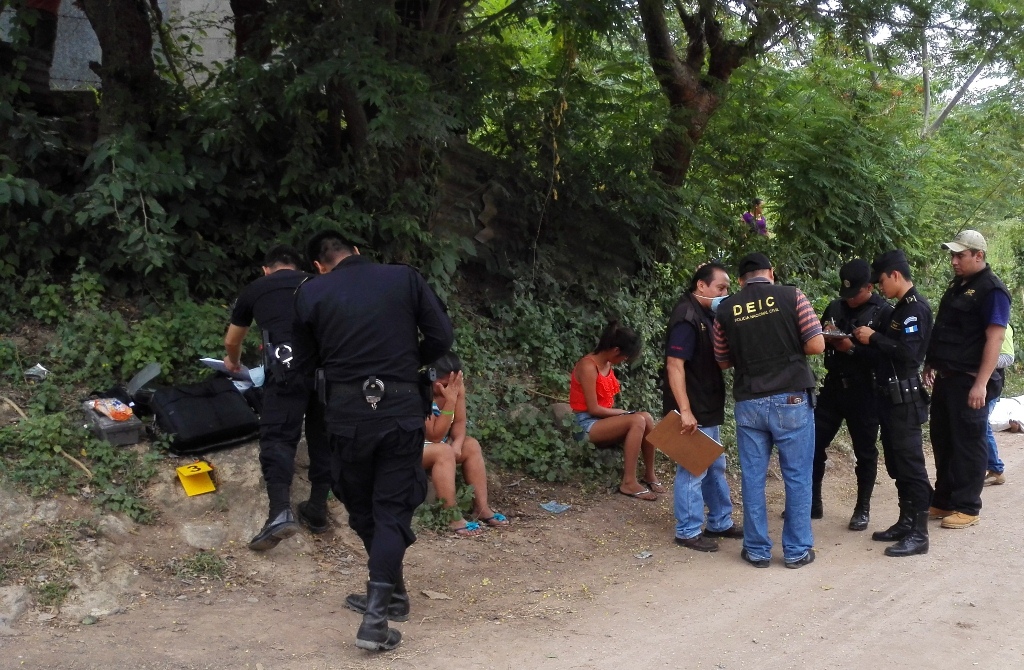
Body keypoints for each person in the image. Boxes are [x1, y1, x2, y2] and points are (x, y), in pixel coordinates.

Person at [292, 231, 453, 651]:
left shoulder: (311, 293)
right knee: (391, 508)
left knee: (364, 509)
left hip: (346, 415)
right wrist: (408, 361)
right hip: (399, 409)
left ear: (319, 265)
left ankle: (380, 610)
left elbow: (304, 362)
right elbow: (441, 337)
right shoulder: (404, 279)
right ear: (358, 251)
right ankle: (386, 602)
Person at [713, 252, 824, 569]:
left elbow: (722, 360)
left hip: (749, 401)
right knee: (798, 477)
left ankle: (757, 550)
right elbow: (816, 345)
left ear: (740, 280)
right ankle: (797, 550)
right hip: (791, 399)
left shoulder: (725, 309)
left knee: (752, 478)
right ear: (771, 273)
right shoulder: (793, 295)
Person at [223, 244, 333, 551]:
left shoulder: (256, 288)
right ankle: (318, 508)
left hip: (285, 373)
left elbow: (233, 339)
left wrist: (232, 361)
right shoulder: (318, 283)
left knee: (277, 437)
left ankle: (280, 511)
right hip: (327, 373)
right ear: (301, 267)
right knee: (323, 437)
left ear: (266, 269)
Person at [924, 230, 1011, 530]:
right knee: (943, 440)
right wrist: (931, 363)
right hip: (947, 377)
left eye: (960, 255)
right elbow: (946, 330)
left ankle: (968, 506)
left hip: (971, 379)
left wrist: (981, 383)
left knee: (968, 444)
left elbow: (995, 338)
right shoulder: (958, 287)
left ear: (979, 255)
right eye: (952, 255)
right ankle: (944, 499)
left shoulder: (992, 291)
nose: (954, 261)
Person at [853, 250, 933, 557]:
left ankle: (920, 533)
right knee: (896, 464)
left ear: (896, 275)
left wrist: (874, 338)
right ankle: (906, 520)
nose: (880, 287)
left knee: (911, 465)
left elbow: (909, 355)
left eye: (882, 280)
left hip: (905, 397)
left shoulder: (915, 309)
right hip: (888, 395)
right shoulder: (899, 309)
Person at [662, 262, 742, 552]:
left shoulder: (706, 315)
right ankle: (687, 530)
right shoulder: (686, 317)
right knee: (692, 469)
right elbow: (674, 365)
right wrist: (684, 410)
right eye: (720, 288)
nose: (724, 293)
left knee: (714, 464)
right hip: (691, 408)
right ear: (701, 286)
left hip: (706, 405)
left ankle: (720, 521)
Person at [813, 259, 894, 529]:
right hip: (834, 387)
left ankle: (862, 508)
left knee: (865, 452)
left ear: (869, 287)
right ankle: (813, 502)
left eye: (854, 292)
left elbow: (885, 358)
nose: (849, 298)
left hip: (865, 392)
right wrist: (826, 337)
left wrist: (850, 348)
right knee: (812, 444)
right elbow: (819, 335)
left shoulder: (883, 313)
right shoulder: (836, 305)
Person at [421, 352, 508, 536]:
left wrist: (458, 444)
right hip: (416, 447)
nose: (448, 389)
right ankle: (452, 517)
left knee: (472, 445)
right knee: (443, 451)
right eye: (444, 384)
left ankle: (482, 508)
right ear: (432, 376)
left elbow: (459, 423)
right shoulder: (420, 390)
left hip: (442, 444)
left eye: (452, 384)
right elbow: (434, 436)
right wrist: (450, 401)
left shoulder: (455, 388)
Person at [569, 321, 658, 500]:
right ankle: (628, 482)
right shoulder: (588, 366)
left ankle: (650, 474)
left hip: (602, 422)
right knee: (636, 419)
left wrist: (625, 413)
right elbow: (593, 409)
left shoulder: (607, 365)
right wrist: (624, 413)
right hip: (586, 424)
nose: (624, 361)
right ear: (616, 350)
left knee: (646, 417)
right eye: (624, 357)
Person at [984, 324, 1015, 486]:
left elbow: (1008, 358)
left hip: (990, 386)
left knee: (982, 425)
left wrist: (979, 361)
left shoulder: (1002, 325)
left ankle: (996, 468)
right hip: (973, 386)